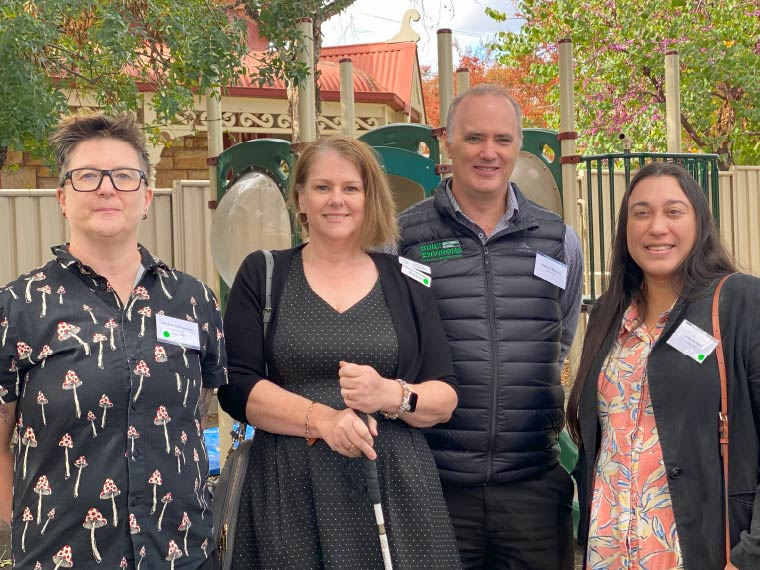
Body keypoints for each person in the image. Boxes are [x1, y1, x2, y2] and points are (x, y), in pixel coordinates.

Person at [217, 135, 461, 569]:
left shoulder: (408, 279)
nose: (337, 200)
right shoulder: (264, 273)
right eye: (322, 187)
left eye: (351, 188)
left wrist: (391, 394)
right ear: (301, 199)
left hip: (394, 490)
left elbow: (445, 396)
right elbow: (236, 387)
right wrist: (326, 421)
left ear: (370, 198)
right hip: (287, 493)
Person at [0, 113, 227, 569]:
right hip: (63, 554)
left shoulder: (193, 300)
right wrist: (12, 524)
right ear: (63, 198)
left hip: (181, 553)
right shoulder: (19, 306)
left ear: (146, 197)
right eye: (88, 176)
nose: (107, 188)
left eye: (123, 176)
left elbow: (199, 413)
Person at [396, 84, 583, 569]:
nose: (488, 152)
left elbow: (558, 338)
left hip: (533, 486)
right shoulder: (402, 240)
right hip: (433, 483)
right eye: (474, 137)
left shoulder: (558, 240)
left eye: (502, 139)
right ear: (447, 143)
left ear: (517, 146)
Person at [567, 162, 759, 569]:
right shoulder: (608, 315)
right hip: (611, 554)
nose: (657, 227)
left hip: (700, 554)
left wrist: (749, 557)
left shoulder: (740, 303)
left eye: (673, 211)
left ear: (699, 222)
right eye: (641, 213)